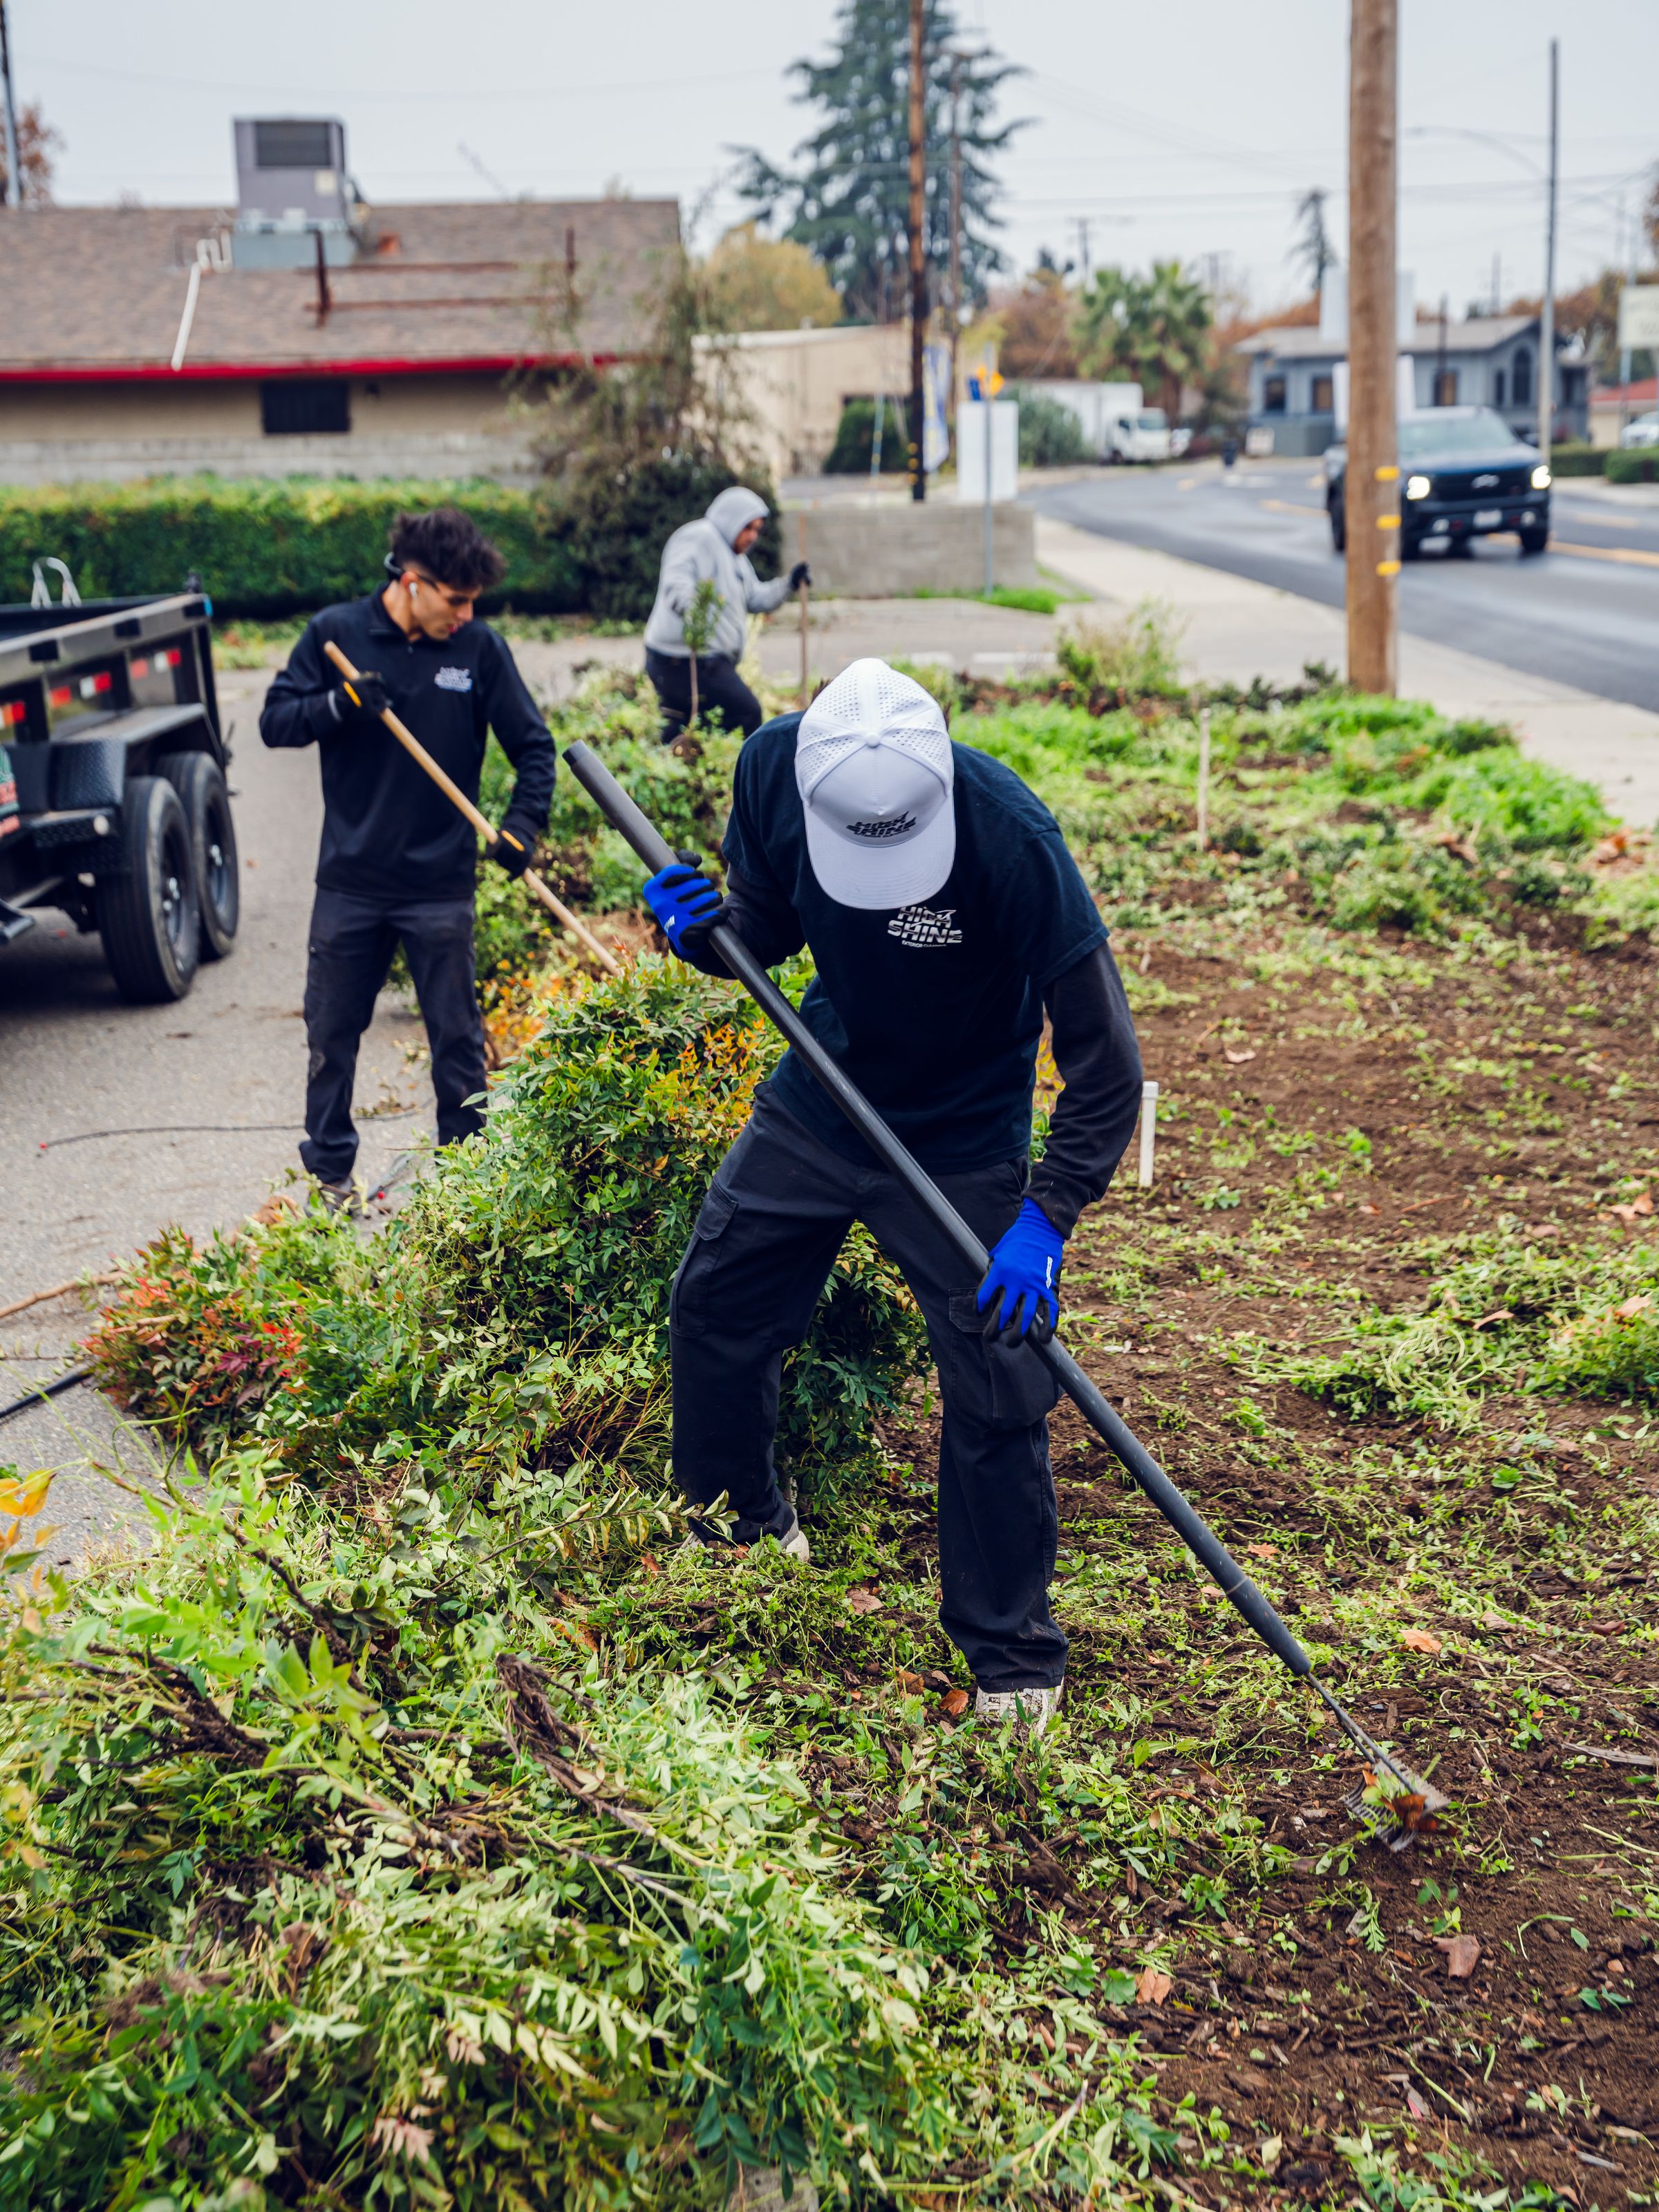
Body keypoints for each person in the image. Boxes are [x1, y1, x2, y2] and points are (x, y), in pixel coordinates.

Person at [642, 658, 1144, 1734]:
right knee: (718, 1300)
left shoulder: (1012, 838)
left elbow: (1107, 1064)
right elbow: (767, 932)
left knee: (1001, 1379)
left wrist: (1044, 1219)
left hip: (963, 1133)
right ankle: (740, 1529)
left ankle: (1010, 1658)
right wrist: (702, 937)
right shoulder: (774, 769)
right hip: (826, 1094)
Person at [261, 506, 556, 1207]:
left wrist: (520, 827)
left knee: (458, 1042)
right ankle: (331, 1177)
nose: (465, 614)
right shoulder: (336, 635)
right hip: (352, 882)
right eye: (456, 600)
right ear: (413, 582)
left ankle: (467, 1181)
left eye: (472, 602)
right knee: (331, 1036)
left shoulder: (478, 649)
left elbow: (534, 747)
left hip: (439, 886)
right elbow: (275, 722)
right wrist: (339, 704)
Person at [643, 486, 809, 745]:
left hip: (705, 661)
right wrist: (694, 614)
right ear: (731, 520)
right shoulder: (699, 537)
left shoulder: (736, 558)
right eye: (748, 528)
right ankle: (746, 776)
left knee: (691, 726)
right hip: (684, 660)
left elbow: (756, 598)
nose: (753, 536)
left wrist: (789, 583)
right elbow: (677, 581)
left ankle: (684, 761)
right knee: (747, 714)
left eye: (757, 529)